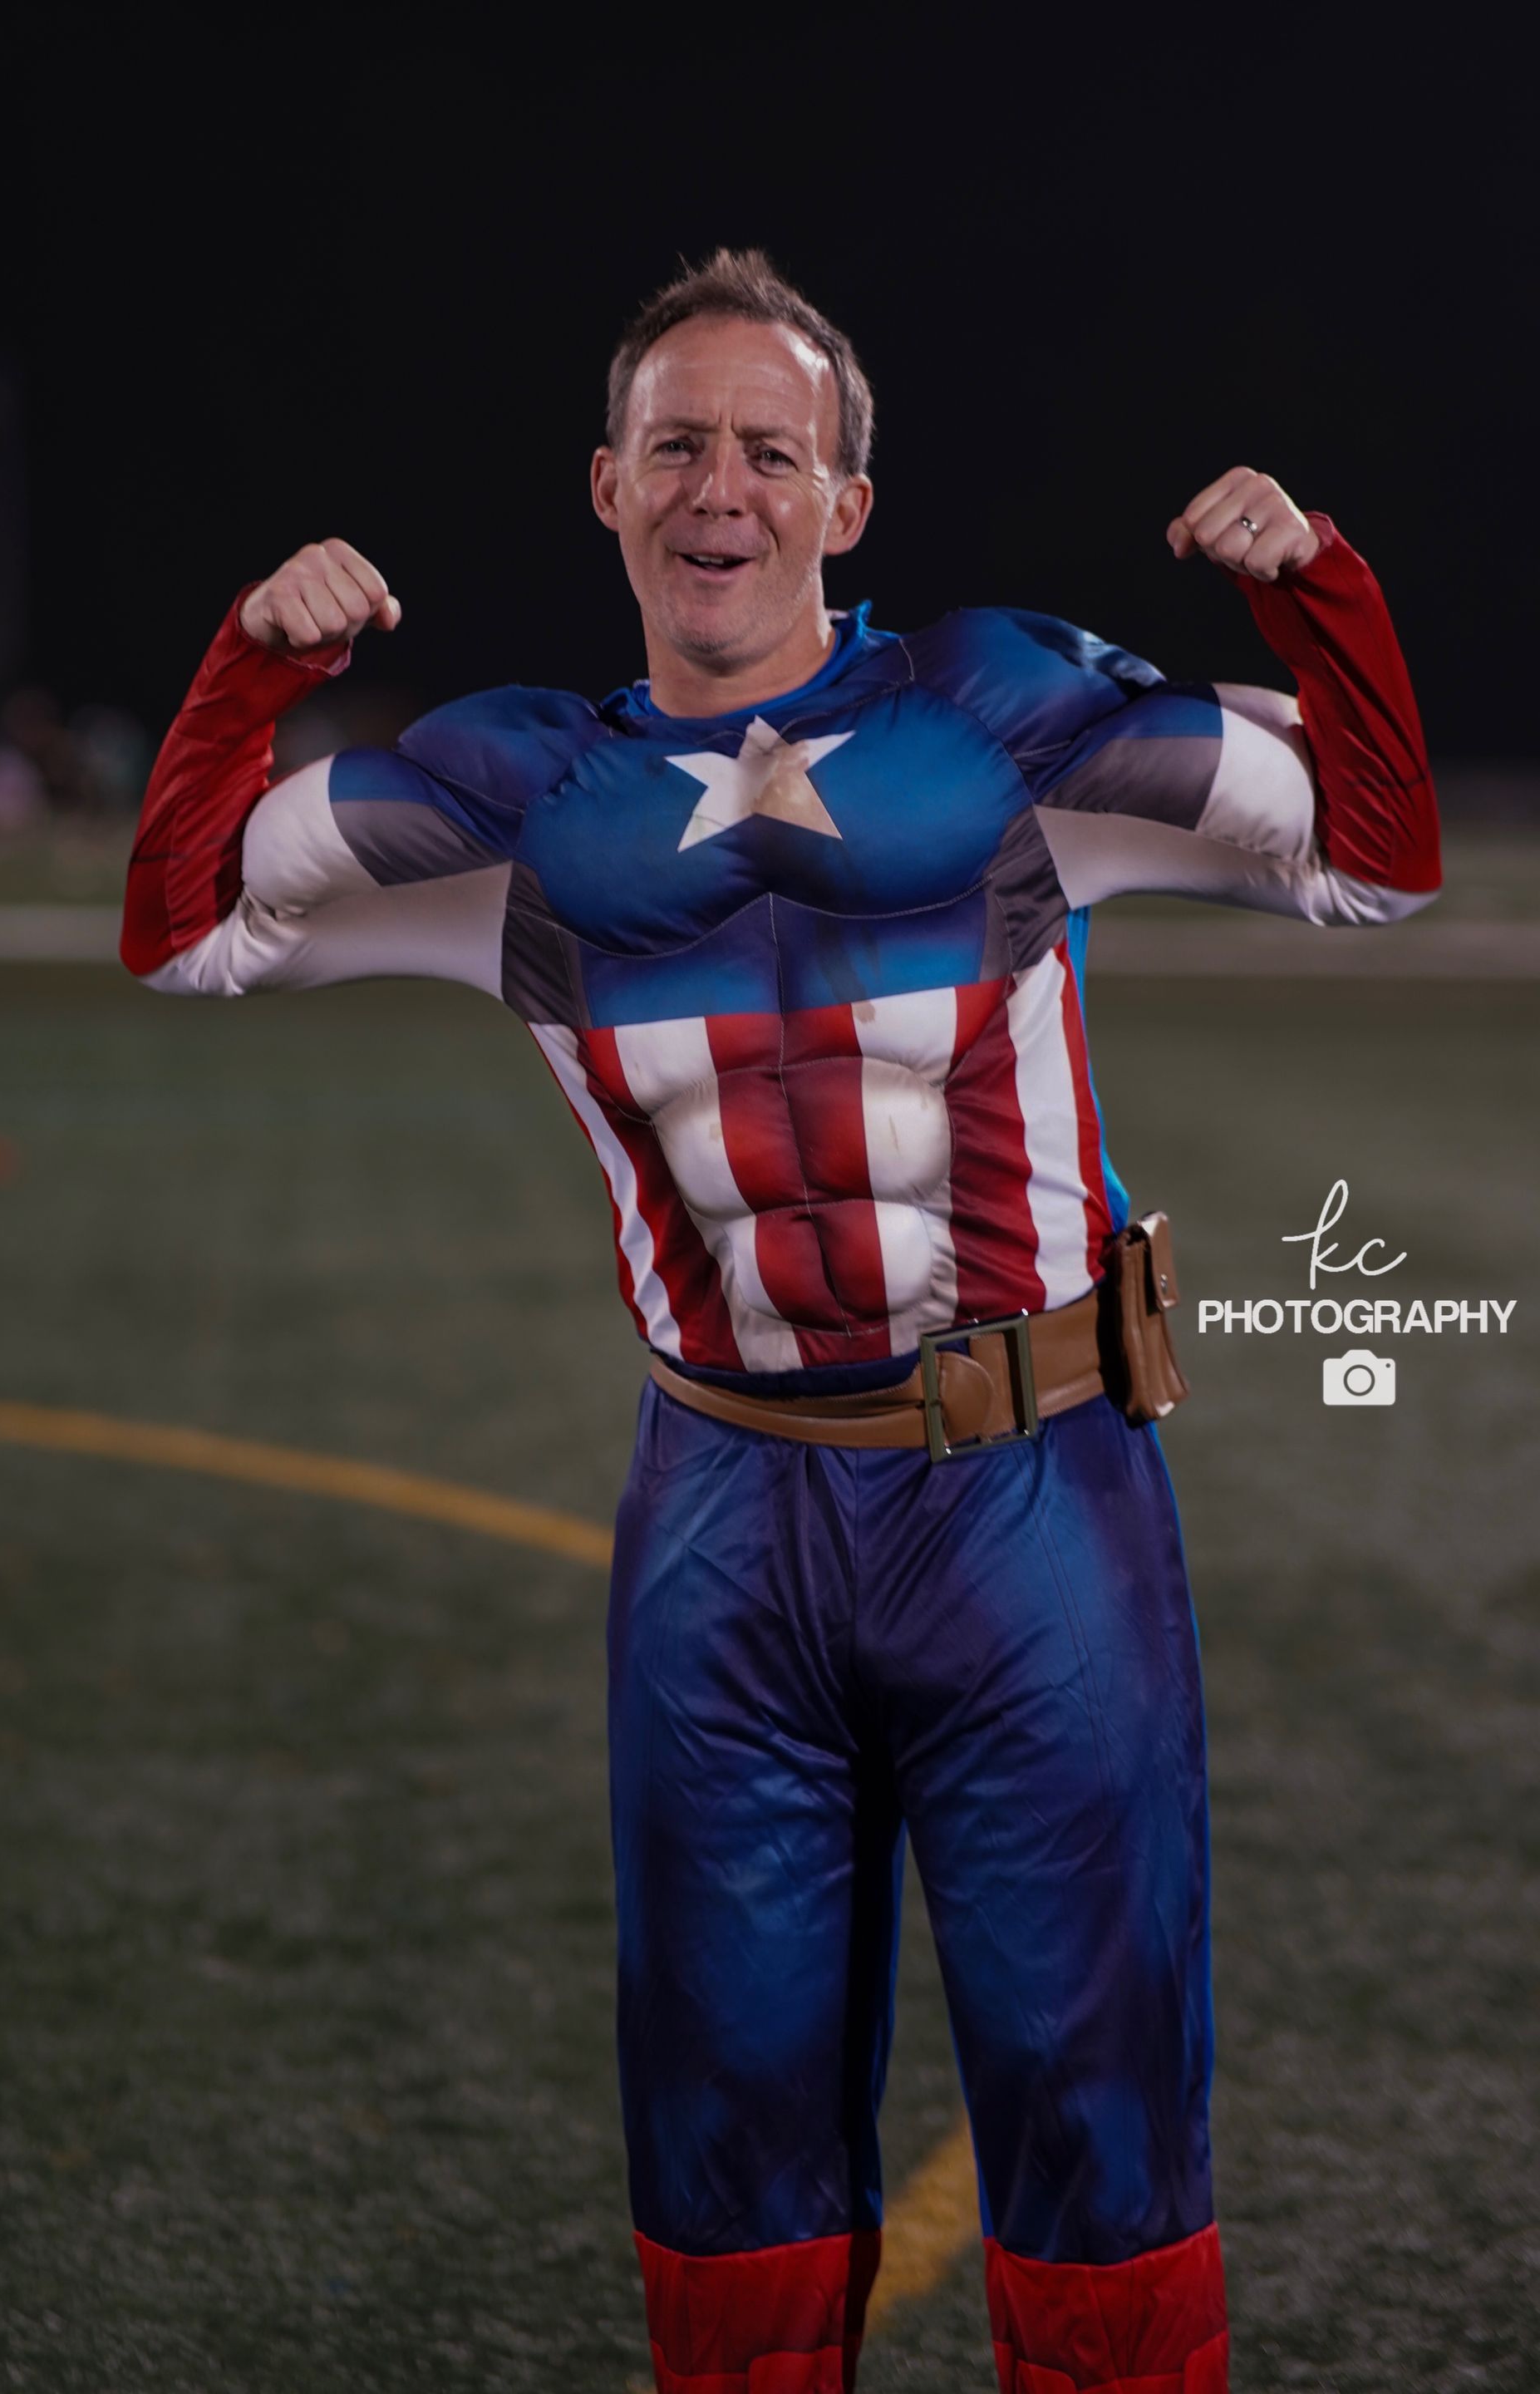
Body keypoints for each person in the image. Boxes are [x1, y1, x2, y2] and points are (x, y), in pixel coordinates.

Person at [121, 249, 1439, 2394]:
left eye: (769, 449)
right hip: (724, 1524)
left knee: (1096, 2132)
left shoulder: (1003, 720)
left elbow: (1376, 859)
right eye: (675, 447)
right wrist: (240, 675)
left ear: (845, 501)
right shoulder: (513, 798)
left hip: (1034, 1506)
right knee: (725, 2158)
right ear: (606, 489)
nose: (718, 487)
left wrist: (1323, 594)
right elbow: (181, 933)